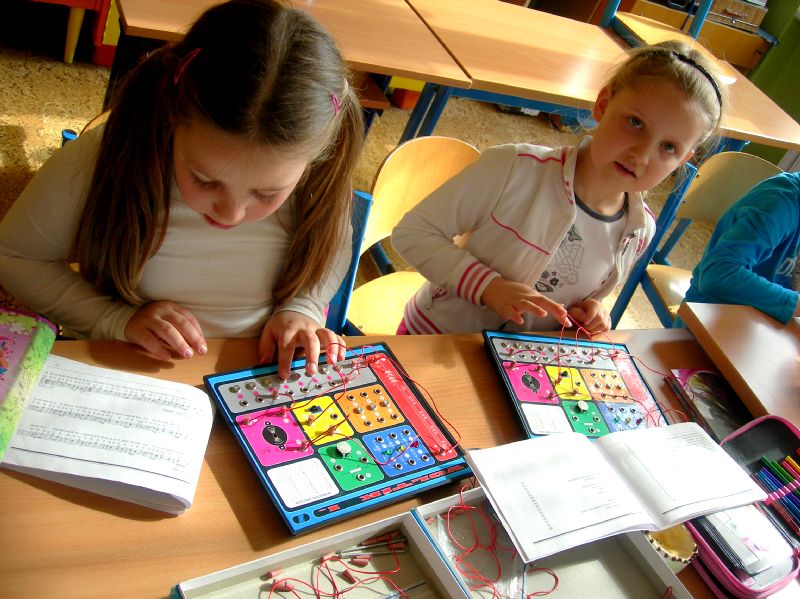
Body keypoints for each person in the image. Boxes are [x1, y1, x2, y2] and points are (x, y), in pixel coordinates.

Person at [0, 0, 364, 378]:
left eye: (266, 193)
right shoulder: (107, 155)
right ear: (174, 117)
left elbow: (330, 251)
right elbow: (13, 256)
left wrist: (303, 306)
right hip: (128, 365)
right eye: (204, 180)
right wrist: (114, 318)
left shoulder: (322, 174)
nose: (230, 213)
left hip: (258, 374)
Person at [391, 40, 726, 336]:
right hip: (434, 336)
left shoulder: (639, 229)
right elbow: (412, 233)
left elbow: (584, 295)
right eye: (635, 123)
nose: (641, 155)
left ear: (684, 160)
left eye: (668, 147)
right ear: (603, 104)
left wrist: (594, 313)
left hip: (513, 364)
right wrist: (489, 287)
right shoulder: (513, 167)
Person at [682, 171, 800, 324]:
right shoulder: (779, 204)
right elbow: (718, 274)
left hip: (764, 323)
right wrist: (793, 304)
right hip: (709, 317)